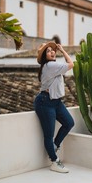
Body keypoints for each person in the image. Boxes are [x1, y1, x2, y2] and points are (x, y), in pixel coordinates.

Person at [34, 41, 75, 173]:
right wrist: (62, 50)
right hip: (45, 102)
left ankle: (55, 145)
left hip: (56, 101)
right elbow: (71, 64)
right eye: (48, 51)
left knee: (69, 123)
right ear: (45, 56)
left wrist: (61, 51)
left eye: (53, 50)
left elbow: (69, 65)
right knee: (48, 135)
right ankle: (54, 161)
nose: (52, 52)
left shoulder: (53, 65)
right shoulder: (50, 65)